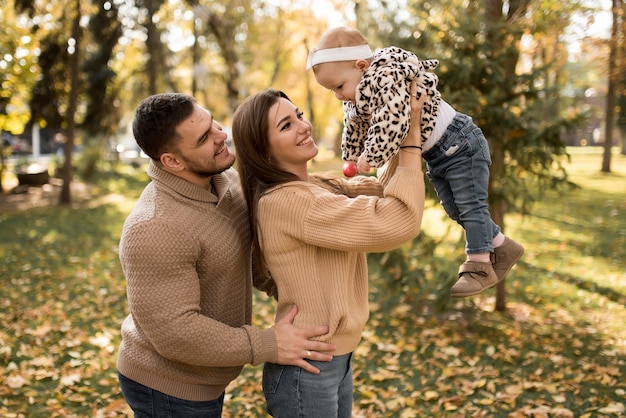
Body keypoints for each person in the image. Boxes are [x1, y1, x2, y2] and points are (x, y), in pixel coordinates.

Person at [116, 92, 337, 417]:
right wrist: (268, 344)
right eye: (205, 137)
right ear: (172, 161)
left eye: (213, 122)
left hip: (207, 375)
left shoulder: (226, 182)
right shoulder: (154, 227)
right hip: (166, 388)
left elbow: (249, 253)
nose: (222, 136)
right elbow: (177, 333)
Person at [231, 84, 426, 418]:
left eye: (299, 116)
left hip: (330, 361)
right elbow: (399, 219)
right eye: (286, 125)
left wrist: (394, 120)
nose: (304, 126)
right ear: (263, 151)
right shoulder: (289, 201)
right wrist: (411, 136)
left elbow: (381, 189)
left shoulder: (314, 187)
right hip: (308, 371)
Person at [306, 26, 524, 298]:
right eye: (332, 91)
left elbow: (392, 124)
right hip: (438, 154)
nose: (338, 95)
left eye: (339, 86)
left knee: (470, 207)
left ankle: (478, 267)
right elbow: (355, 124)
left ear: (362, 66)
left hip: (460, 143)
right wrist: (351, 154)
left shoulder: (387, 78)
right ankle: (502, 245)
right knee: (456, 209)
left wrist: (370, 156)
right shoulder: (358, 92)